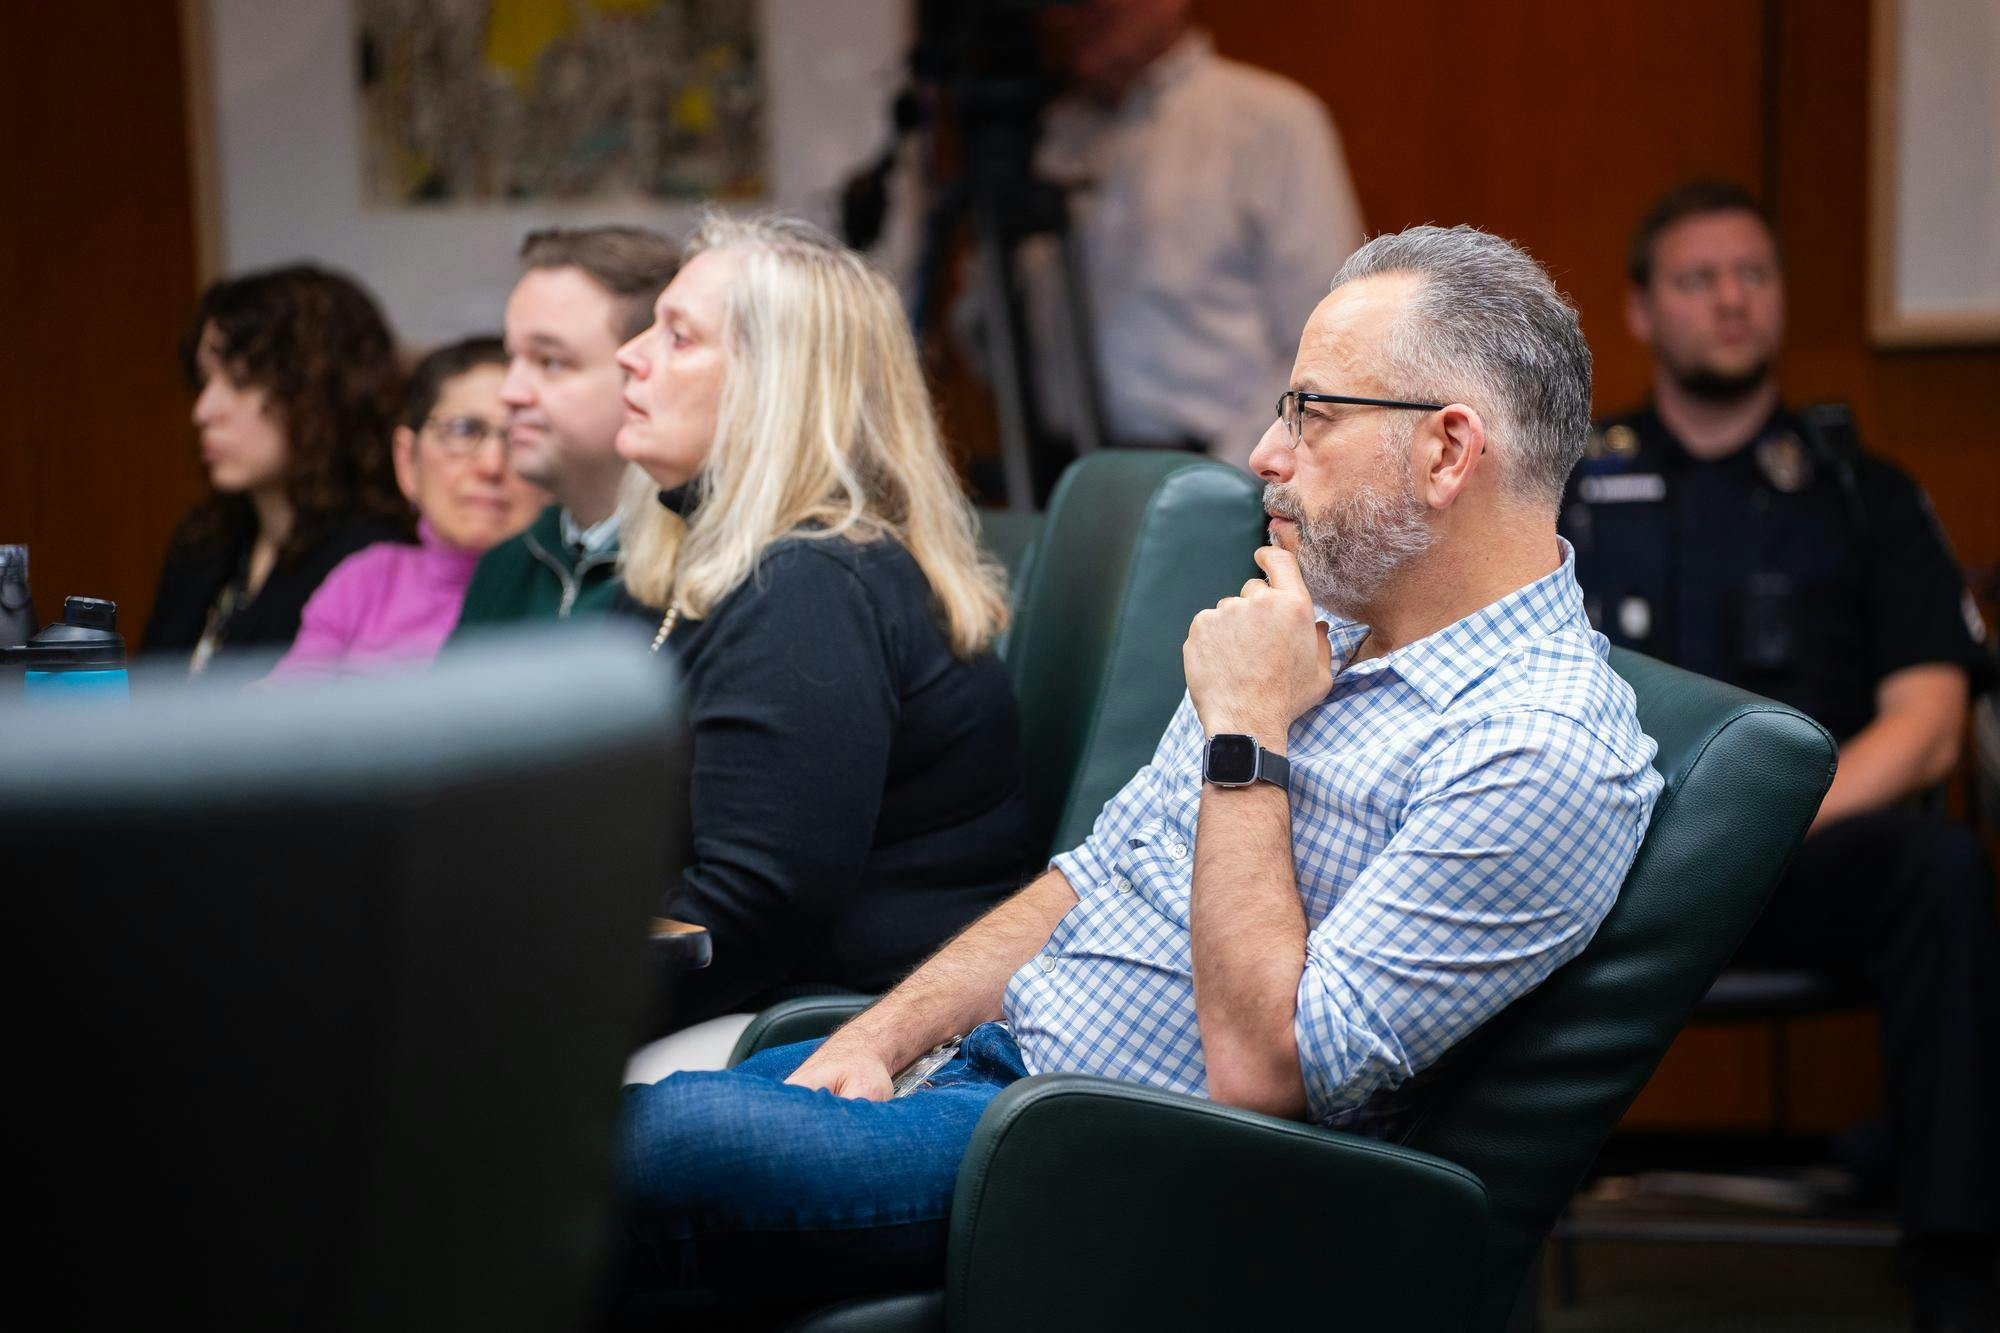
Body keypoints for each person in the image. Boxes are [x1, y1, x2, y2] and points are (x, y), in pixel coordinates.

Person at [613, 224, 1664, 1320]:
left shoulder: (1539, 748)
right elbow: (1088, 875)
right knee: (545, 1147)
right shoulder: (1322, 619)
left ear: (1447, 452)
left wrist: (1245, 733)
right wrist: (878, 1033)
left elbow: (1264, 1077)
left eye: (1310, 412)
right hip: (978, 1075)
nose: (1264, 451)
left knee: (597, 1161)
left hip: (1093, 1165)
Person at [1566, 180, 2000, 1330]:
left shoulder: (1864, 496)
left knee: (1941, 869)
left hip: (1807, 852)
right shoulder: (1566, 490)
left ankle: (1954, 1260)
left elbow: (1927, 722)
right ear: (1642, 309)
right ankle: (1480, 1235)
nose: (1729, 298)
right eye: (1697, 277)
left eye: (1751, 274)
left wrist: (1758, 820)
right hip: (1611, 862)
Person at [610, 214, 1036, 1041]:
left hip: (828, 1026)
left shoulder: (809, 586)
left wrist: (517, 1002)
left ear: (774, 390)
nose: (631, 352)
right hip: (745, 991)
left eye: (679, 337)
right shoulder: (692, 560)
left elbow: (753, 910)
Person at [980, 0, 1364, 473]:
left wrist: (1227, 474)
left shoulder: (1269, 122)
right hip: (1062, 472)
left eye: (1094, 8)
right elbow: (986, 325)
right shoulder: (1052, 135)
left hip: (1220, 469)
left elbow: (1328, 337)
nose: (1069, 17)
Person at [144, 265, 410, 674]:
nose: (203, 410)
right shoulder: (205, 543)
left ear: (320, 393)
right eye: (203, 380)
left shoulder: (374, 562)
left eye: (240, 381)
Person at [267, 338, 546, 679]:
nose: (491, 465)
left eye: (518, 437)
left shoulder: (567, 594)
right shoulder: (366, 582)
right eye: (463, 430)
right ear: (406, 460)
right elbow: (283, 709)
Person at [449, 226, 678, 634]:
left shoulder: (703, 574)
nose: (511, 393)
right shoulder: (506, 565)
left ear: (646, 371)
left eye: (551, 362)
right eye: (512, 358)